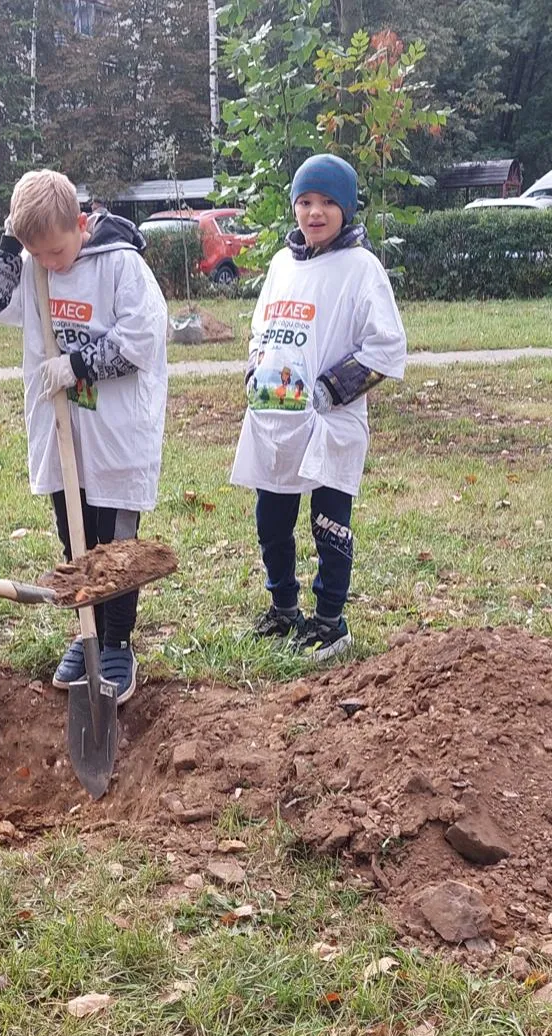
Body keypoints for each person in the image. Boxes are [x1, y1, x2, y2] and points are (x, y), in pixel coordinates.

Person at [0, 169, 168, 704]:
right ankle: (85, 629)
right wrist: (6, 248)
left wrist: (78, 364)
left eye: (57, 251)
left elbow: (143, 339)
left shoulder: (120, 265)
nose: (49, 264)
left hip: (115, 433)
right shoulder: (32, 266)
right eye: (35, 253)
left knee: (116, 542)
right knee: (75, 535)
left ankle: (115, 644)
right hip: (63, 436)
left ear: (80, 224)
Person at [230, 154, 407, 664]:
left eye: (329, 202)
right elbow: (262, 330)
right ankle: (283, 607)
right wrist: (254, 373)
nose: (315, 212)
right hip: (275, 419)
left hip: (330, 422)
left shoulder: (360, 268)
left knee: (329, 521)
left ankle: (330, 620)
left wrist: (330, 391)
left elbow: (386, 347)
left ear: (347, 208)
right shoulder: (282, 264)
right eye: (306, 201)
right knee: (272, 519)